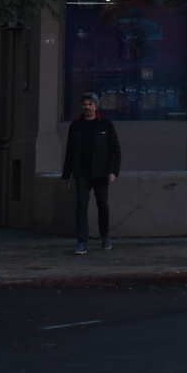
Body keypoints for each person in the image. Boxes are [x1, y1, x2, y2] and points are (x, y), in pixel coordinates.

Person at [64, 92, 122, 254]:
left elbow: (115, 150)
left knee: (102, 204)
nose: (87, 107)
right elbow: (70, 152)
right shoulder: (76, 125)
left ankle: (105, 236)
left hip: (101, 172)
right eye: (85, 104)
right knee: (82, 204)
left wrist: (113, 172)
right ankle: (82, 241)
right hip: (82, 172)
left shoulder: (106, 124)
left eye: (90, 104)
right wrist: (66, 175)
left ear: (96, 106)